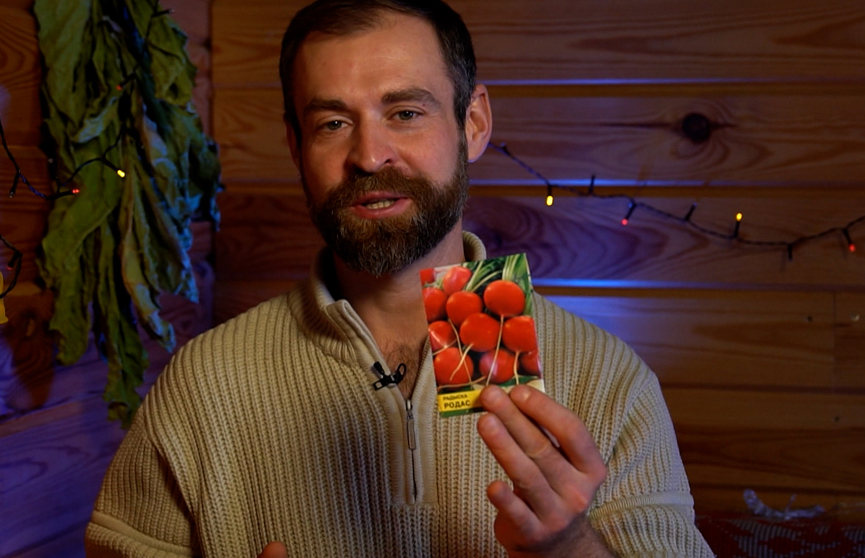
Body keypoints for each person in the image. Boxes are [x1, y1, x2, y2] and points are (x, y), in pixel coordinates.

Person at [85, 1, 714, 557]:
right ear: (296, 145)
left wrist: (569, 548)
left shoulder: (607, 382)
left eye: (405, 112)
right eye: (333, 123)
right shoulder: (202, 386)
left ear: (473, 123)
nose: (369, 155)